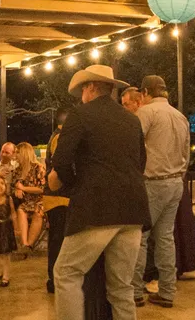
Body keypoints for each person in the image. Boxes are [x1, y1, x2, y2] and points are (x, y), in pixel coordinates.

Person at [48, 65, 150, 320]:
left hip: (96, 208)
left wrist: (74, 187)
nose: (81, 95)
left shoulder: (80, 115)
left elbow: (61, 162)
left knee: (66, 272)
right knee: (121, 287)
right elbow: (141, 162)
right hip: (133, 210)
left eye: (83, 90)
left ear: (91, 87)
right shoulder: (131, 119)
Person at [132, 75, 191, 309]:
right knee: (166, 238)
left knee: (140, 237)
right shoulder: (180, 116)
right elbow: (186, 153)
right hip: (175, 182)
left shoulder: (146, 113)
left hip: (152, 182)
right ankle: (167, 292)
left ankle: (135, 292)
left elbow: (133, 146)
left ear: (145, 92)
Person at [43, 109, 70, 294]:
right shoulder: (61, 138)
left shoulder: (56, 136)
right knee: (58, 241)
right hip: (59, 197)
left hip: (56, 197)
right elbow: (62, 166)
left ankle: (54, 279)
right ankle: (54, 280)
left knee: (57, 240)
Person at [12, 141, 46, 252]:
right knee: (21, 210)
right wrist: (17, 189)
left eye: (17, 153)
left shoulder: (38, 168)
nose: (15, 156)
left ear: (24, 153)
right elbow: (15, 184)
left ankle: (29, 244)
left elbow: (42, 189)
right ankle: (25, 244)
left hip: (40, 200)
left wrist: (23, 188)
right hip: (26, 201)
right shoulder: (17, 171)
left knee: (38, 212)